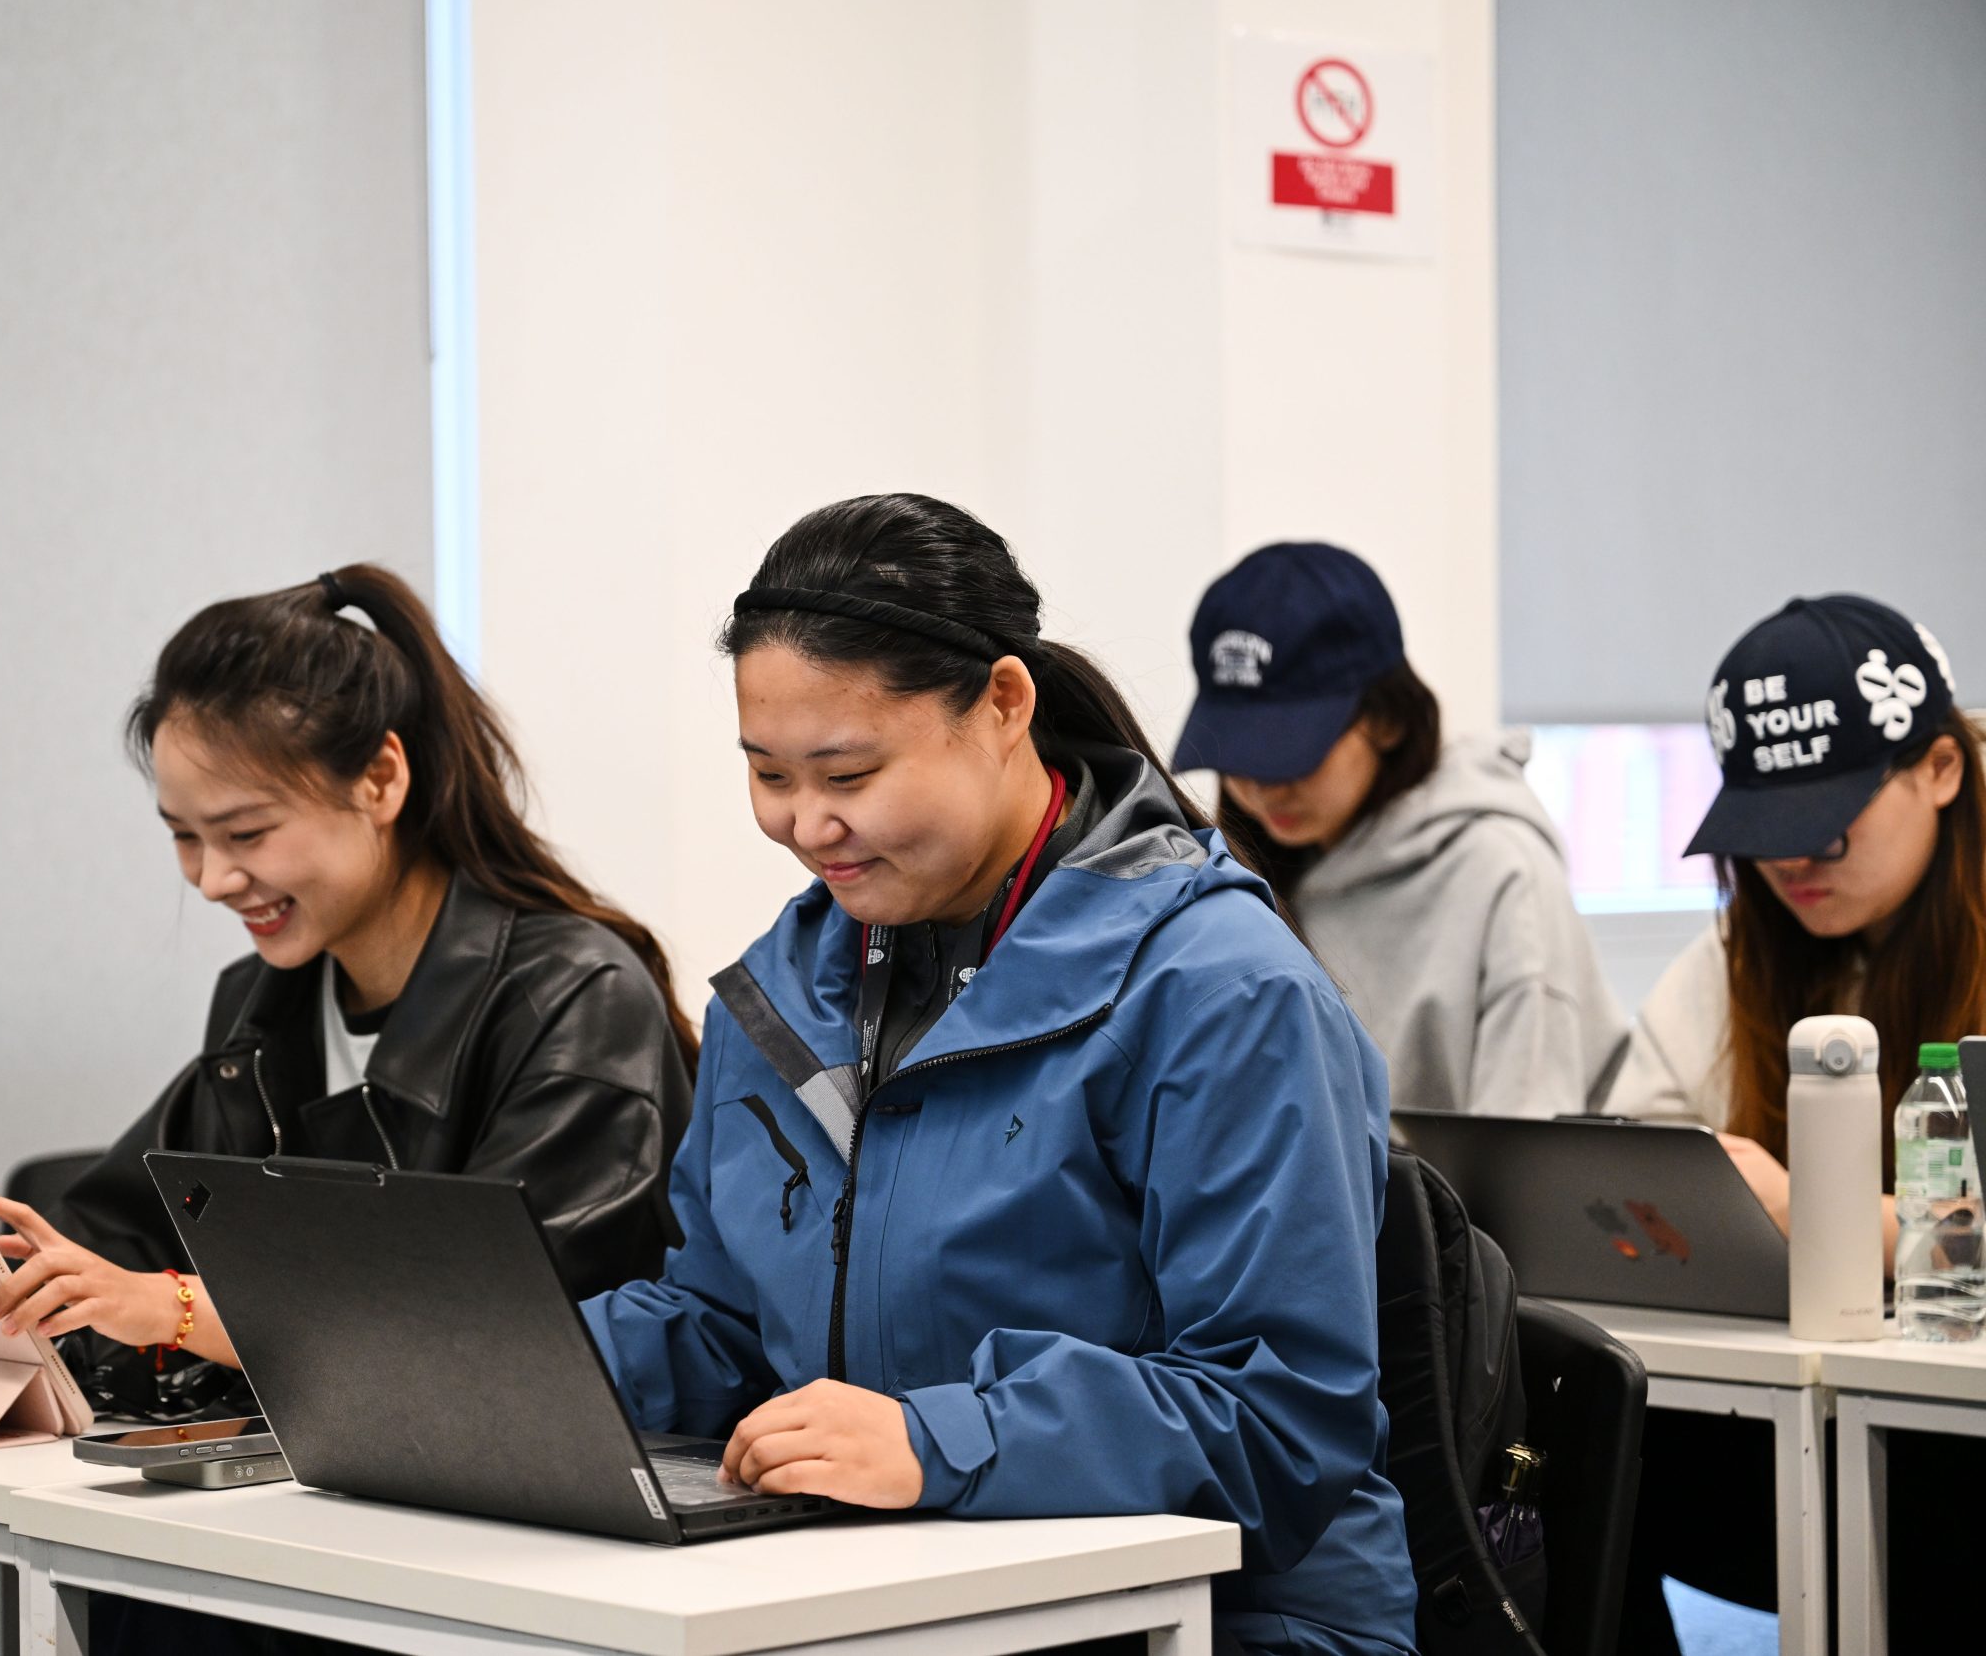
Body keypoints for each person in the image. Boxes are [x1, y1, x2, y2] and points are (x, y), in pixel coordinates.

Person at [580, 495, 1416, 1656]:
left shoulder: (1217, 990)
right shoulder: (785, 991)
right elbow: (722, 1328)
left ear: (1004, 705)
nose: (807, 825)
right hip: (904, 1597)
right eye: (769, 776)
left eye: (849, 771)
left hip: (1224, 1622)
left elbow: (1279, 1418)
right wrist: (452, 1373)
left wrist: (942, 1443)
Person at [0, 564, 695, 1413]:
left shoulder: (577, 1004)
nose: (213, 879)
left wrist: (178, 1310)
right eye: (184, 836)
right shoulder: (264, 1007)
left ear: (380, 779)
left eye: (246, 832)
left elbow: (493, 1333)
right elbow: (115, 1236)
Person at [1601, 592, 1981, 1653]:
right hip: (1791, 1424)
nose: (1790, 865)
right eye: (1762, 832)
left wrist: (1806, 1208)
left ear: (1941, 771)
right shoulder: (1736, 959)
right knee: (1567, 1448)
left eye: (1827, 824)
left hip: (1951, 1444)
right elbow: (1631, 1164)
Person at [1175, 541, 1625, 1117]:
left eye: (1288, 753)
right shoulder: (1239, 877)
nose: (1264, 788)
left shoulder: (1502, 875)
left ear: (1386, 719)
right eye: (1240, 755)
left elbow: (1527, 1167)